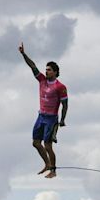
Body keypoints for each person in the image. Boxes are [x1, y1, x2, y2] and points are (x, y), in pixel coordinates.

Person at [19, 42, 68, 179]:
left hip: (51, 119)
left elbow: (65, 104)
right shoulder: (42, 80)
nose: (46, 71)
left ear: (56, 72)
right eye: (46, 69)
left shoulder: (60, 87)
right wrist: (23, 54)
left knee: (48, 146)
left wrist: (63, 120)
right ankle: (47, 164)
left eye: (49, 70)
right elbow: (32, 66)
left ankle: (53, 170)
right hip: (41, 116)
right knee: (35, 143)